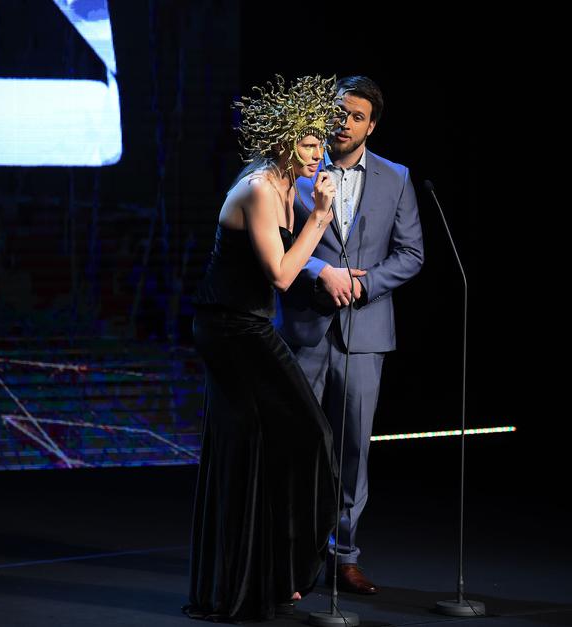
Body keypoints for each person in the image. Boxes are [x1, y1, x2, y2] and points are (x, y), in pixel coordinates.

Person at [185, 75, 346, 622]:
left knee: (267, 445)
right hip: (230, 327)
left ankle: (268, 575)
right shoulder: (258, 188)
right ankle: (258, 579)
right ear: (282, 141)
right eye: (308, 143)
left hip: (247, 323)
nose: (319, 153)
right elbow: (280, 273)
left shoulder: (284, 186)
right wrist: (319, 216)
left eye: (320, 143)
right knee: (307, 433)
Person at [279, 76, 424, 595]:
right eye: (339, 113)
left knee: (353, 453)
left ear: (371, 125)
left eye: (357, 117)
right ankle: (290, 558)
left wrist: (363, 286)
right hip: (305, 328)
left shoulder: (396, 177)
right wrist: (322, 271)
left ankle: (344, 556)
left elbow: (411, 254)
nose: (345, 123)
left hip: (364, 334)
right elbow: (274, 244)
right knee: (294, 446)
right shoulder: (295, 168)